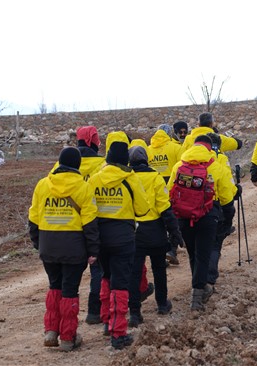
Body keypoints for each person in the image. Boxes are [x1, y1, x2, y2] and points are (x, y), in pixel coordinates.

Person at [28, 147, 100, 351]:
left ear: (59, 163)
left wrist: (38, 243)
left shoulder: (43, 185)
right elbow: (90, 224)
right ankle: (68, 337)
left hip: (48, 245)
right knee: (69, 290)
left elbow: (33, 220)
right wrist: (93, 251)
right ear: (77, 165)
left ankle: (51, 331)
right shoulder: (84, 187)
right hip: (74, 249)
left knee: (54, 286)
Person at [88, 134, 150, 349]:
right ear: (126, 159)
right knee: (120, 284)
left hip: (100, 237)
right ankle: (118, 333)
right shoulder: (130, 179)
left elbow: (88, 208)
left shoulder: (95, 178)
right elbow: (143, 210)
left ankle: (106, 322)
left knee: (105, 277)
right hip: (123, 237)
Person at [167, 135, 236, 311]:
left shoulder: (179, 166)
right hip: (208, 215)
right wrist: (227, 219)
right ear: (209, 148)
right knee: (203, 255)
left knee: (193, 254)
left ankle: (200, 286)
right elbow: (228, 197)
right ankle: (197, 296)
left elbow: (169, 192)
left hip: (183, 215)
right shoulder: (216, 166)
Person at [127, 145, 183, 327]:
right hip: (155, 230)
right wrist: (175, 231)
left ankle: (134, 313)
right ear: (146, 159)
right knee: (159, 269)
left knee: (134, 273)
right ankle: (162, 304)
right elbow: (165, 208)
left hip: (134, 231)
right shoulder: (155, 178)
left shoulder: (127, 178)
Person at [205, 133, 239, 290]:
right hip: (215, 204)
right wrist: (236, 191)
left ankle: (197, 278)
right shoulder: (221, 159)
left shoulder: (190, 157)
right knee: (215, 243)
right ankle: (209, 278)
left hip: (194, 206)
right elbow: (227, 183)